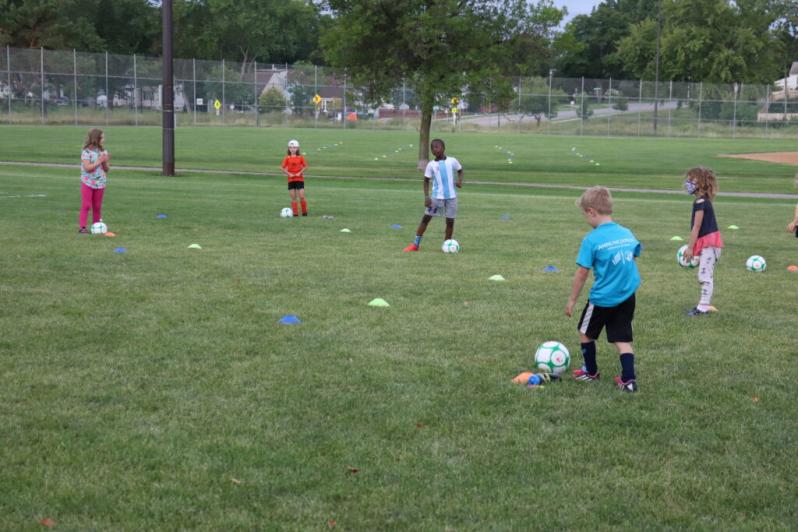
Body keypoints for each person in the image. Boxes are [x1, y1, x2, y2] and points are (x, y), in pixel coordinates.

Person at [565, 186, 641, 393]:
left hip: (602, 299)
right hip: (627, 296)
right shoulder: (626, 233)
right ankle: (629, 380)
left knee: (585, 332)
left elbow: (582, 273)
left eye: (585, 215)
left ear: (591, 211)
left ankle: (591, 372)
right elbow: (633, 255)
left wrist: (572, 300)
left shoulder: (592, 239)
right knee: (622, 339)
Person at [403, 138, 463, 252]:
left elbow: (460, 170)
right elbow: (426, 181)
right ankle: (415, 244)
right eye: (432, 148)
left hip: (451, 197)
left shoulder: (452, 161)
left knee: (450, 222)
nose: (435, 149)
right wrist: (427, 197)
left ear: (443, 148)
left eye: (437, 146)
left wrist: (460, 181)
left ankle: (447, 245)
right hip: (436, 198)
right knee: (426, 219)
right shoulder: (431, 165)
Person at [682, 167, 723, 316]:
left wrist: (690, 248)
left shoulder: (700, 202)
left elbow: (696, 227)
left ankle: (702, 308)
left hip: (710, 244)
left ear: (701, 183)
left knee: (705, 276)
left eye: (691, 180)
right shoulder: (701, 201)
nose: (688, 183)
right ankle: (702, 305)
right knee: (704, 275)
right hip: (708, 244)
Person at [79, 128, 110, 234]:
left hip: (100, 183)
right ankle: (82, 228)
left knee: (97, 206)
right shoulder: (86, 152)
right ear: (96, 138)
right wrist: (99, 161)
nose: (104, 139)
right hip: (87, 182)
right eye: (102, 137)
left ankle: (97, 226)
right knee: (86, 205)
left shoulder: (102, 151)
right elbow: (88, 168)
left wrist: (105, 162)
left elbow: (106, 169)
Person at [281, 139, 308, 216]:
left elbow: (306, 166)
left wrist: (300, 172)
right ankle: (295, 213)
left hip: (299, 179)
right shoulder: (287, 158)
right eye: (291, 147)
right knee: (293, 198)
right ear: (289, 149)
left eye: (294, 147)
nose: (292, 149)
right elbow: (282, 167)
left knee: (302, 196)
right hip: (291, 180)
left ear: (297, 148)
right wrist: (289, 174)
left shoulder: (300, 157)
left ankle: (304, 212)